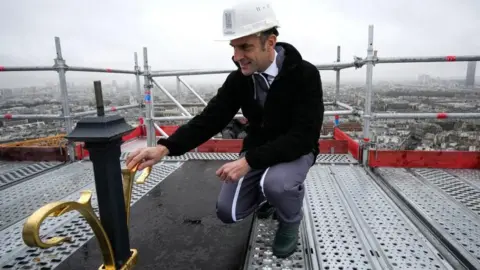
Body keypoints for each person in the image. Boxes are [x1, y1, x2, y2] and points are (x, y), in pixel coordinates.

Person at [126, 0, 324, 258]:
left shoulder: (304, 74)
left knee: (277, 183)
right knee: (228, 212)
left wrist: (249, 161)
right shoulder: (240, 79)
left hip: (296, 150)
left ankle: (289, 219)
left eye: (245, 47)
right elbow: (211, 118)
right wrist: (165, 147)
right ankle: (270, 198)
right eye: (234, 47)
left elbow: (303, 136)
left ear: (270, 43)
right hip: (260, 150)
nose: (237, 56)